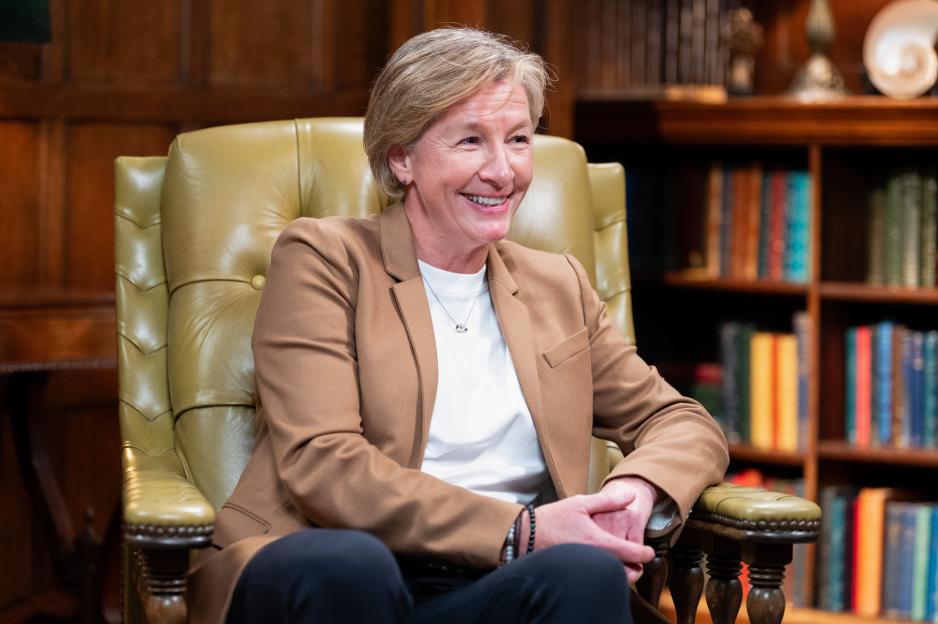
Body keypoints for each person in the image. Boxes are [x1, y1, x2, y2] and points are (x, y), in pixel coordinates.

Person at [187, 27, 728, 624]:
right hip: (337, 570)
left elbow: (680, 419)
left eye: (518, 140)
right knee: (349, 565)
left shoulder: (557, 286)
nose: (502, 171)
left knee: (585, 573)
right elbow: (322, 461)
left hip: (490, 589)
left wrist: (638, 491)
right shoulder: (326, 258)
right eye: (470, 141)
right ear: (402, 157)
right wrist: (519, 531)